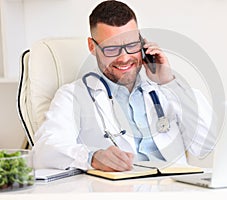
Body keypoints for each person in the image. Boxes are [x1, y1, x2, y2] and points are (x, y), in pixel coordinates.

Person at [32, 0, 215, 172]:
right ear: (92, 47)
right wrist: (92, 158)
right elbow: (44, 151)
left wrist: (170, 83)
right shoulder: (73, 96)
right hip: (121, 192)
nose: (124, 58)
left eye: (132, 45)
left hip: (177, 189)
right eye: (111, 48)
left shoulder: (165, 88)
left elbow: (207, 144)